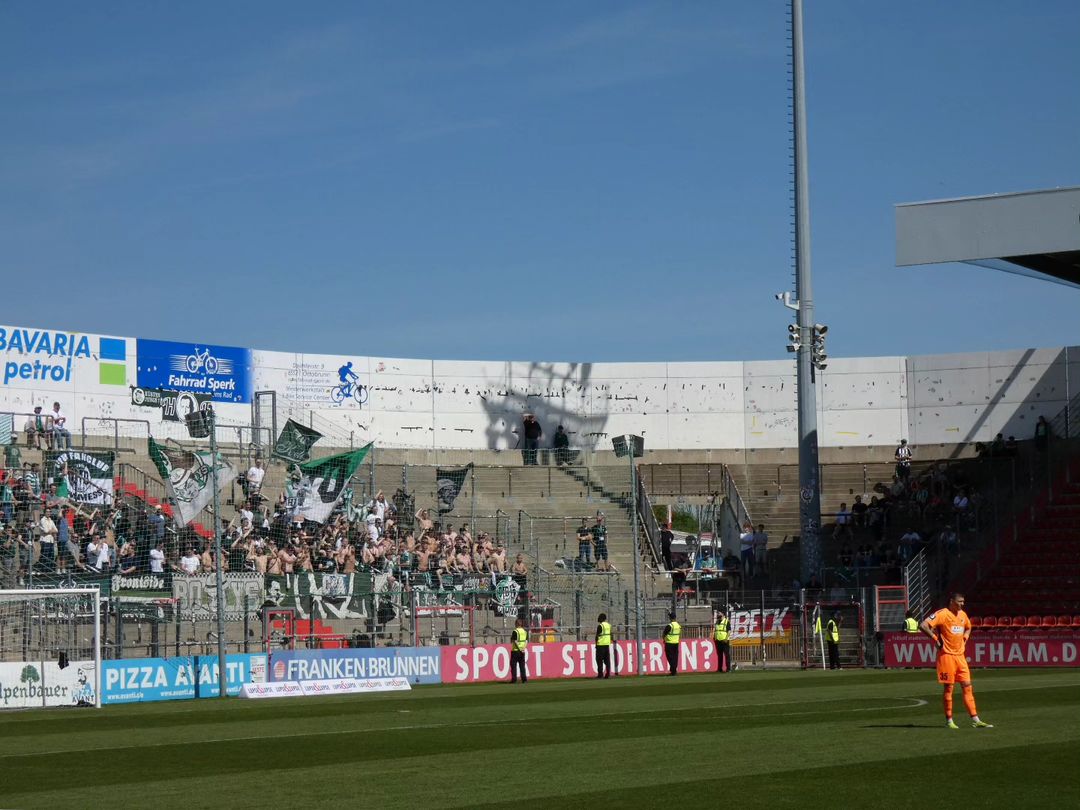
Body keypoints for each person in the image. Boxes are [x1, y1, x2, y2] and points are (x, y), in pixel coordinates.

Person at [920, 593, 993, 729]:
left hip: (960, 657)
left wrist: (965, 638)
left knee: (967, 686)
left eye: (963, 601)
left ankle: (976, 720)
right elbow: (923, 625)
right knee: (949, 688)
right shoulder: (942, 614)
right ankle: (949, 721)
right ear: (952, 601)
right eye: (960, 601)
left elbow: (968, 627)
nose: (962, 604)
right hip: (946, 656)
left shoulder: (963, 615)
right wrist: (935, 639)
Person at [509, 618, 528, 684]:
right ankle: (524, 679)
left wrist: (519, 648)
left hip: (515, 651)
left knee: (513, 666)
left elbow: (514, 641)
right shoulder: (525, 631)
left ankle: (514, 680)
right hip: (522, 651)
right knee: (522, 666)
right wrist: (523, 648)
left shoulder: (515, 631)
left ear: (516, 624)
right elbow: (526, 641)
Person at [662, 611, 681, 676]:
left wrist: (664, 639)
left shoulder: (669, 626)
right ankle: (673, 670)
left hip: (669, 643)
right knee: (675, 657)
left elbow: (664, 633)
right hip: (676, 643)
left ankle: (673, 671)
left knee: (670, 657)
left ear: (670, 618)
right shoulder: (678, 626)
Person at [595, 613, 613, 679]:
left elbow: (597, 636)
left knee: (599, 660)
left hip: (600, 645)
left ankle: (600, 674)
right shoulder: (609, 625)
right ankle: (608, 674)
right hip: (607, 645)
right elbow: (611, 634)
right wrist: (610, 641)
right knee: (607, 660)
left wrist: (596, 644)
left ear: (601, 618)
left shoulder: (600, 626)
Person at [713, 609, 730, 673]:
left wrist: (726, 638)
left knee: (726, 655)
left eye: (719, 613)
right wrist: (715, 637)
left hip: (724, 640)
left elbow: (729, 631)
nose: (718, 614)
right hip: (718, 640)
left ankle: (728, 669)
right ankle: (719, 669)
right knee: (719, 655)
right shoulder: (717, 621)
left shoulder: (726, 621)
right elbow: (716, 630)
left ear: (723, 614)